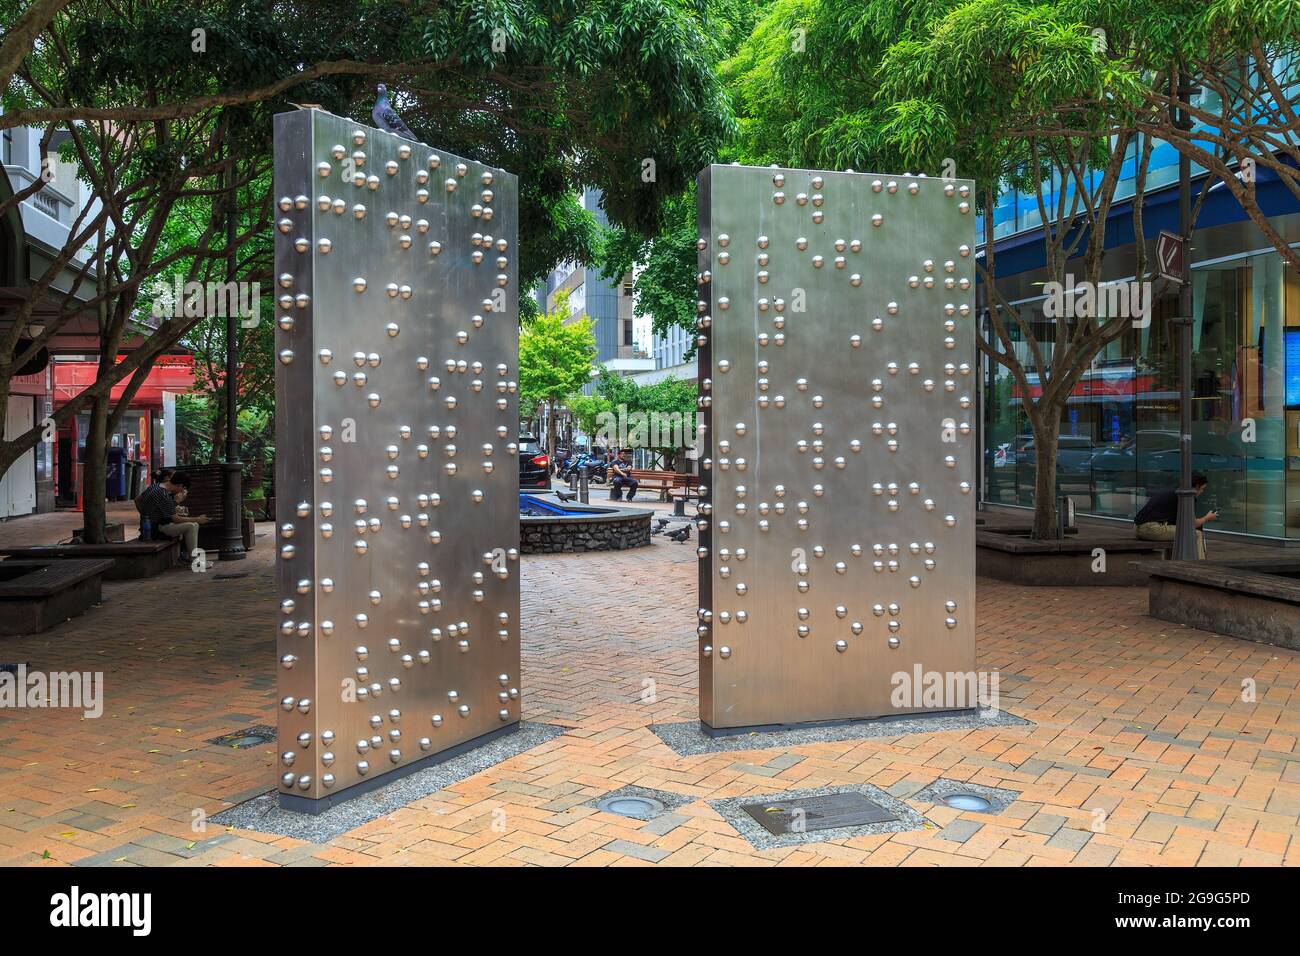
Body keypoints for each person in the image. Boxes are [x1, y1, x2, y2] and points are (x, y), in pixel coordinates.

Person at [1134, 471, 1217, 560]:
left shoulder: (1174, 492)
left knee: (1176, 533)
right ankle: (1199, 565)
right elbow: (1193, 524)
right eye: (1202, 489)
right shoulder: (1186, 496)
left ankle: (1172, 564)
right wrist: (1207, 517)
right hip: (1151, 529)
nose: (1202, 491)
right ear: (1196, 486)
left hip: (1139, 528)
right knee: (1195, 534)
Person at [138, 470, 210, 565]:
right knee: (191, 526)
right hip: (155, 529)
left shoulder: (155, 487)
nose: (181, 492)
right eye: (182, 489)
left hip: (151, 525)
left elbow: (139, 500)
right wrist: (198, 519)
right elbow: (175, 519)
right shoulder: (163, 494)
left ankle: (191, 558)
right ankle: (194, 561)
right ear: (180, 485)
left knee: (194, 525)